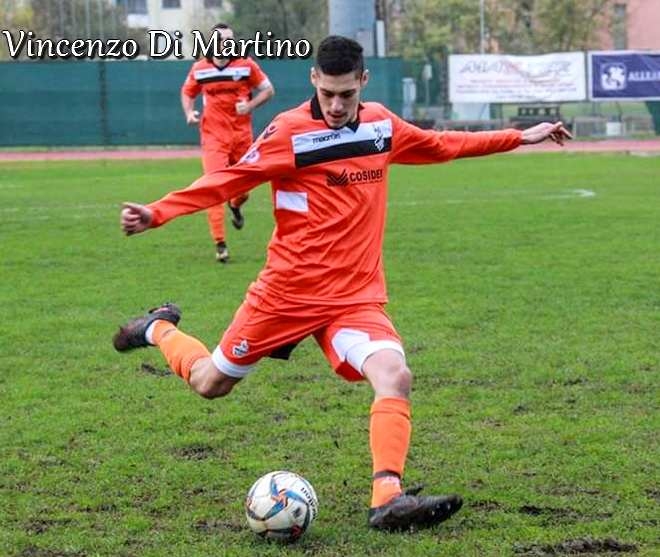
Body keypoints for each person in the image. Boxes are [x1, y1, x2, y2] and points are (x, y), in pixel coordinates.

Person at [116, 36, 571, 531]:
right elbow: (228, 180)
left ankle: (387, 498)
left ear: (363, 82)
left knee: (395, 376)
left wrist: (518, 136)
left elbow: (441, 144)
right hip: (287, 294)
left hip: (354, 297)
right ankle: (158, 328)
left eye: (347, 94)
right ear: (314, 79)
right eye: (328, 93)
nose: (336, 105)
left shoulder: (381, 125)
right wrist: (158, 212)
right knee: (210, 384)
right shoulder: (288, 131)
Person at [181, 22, 275, 263]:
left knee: (243, 191)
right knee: (213, 187)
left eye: (230, 40)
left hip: (242, 137)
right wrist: (189, 112)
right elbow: (187, 92)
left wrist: (250, 105)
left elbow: (268, 90)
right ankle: (220, 244)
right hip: (213, 136)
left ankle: (236, 205)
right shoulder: (200, 68)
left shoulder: (246, 64)